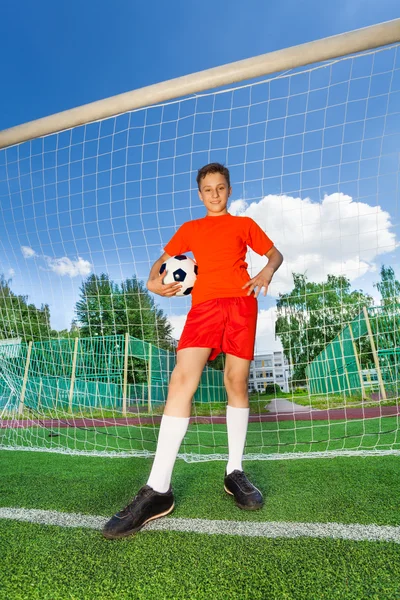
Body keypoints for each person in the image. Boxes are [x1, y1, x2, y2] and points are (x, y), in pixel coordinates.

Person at [103, 162, 283, 539]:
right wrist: (152, 281)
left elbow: (275, 255)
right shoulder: (190, 229)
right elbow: (162, 260)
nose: (214, 194)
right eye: (207, 189)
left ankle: (235, 471)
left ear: (228, 190)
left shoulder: (243, 225)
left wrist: (266, 272)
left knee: (236, 382)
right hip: (203, 309)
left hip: (241, 304)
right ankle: (158, 489)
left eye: (220, 188)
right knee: (182, 378)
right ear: (199, 194)